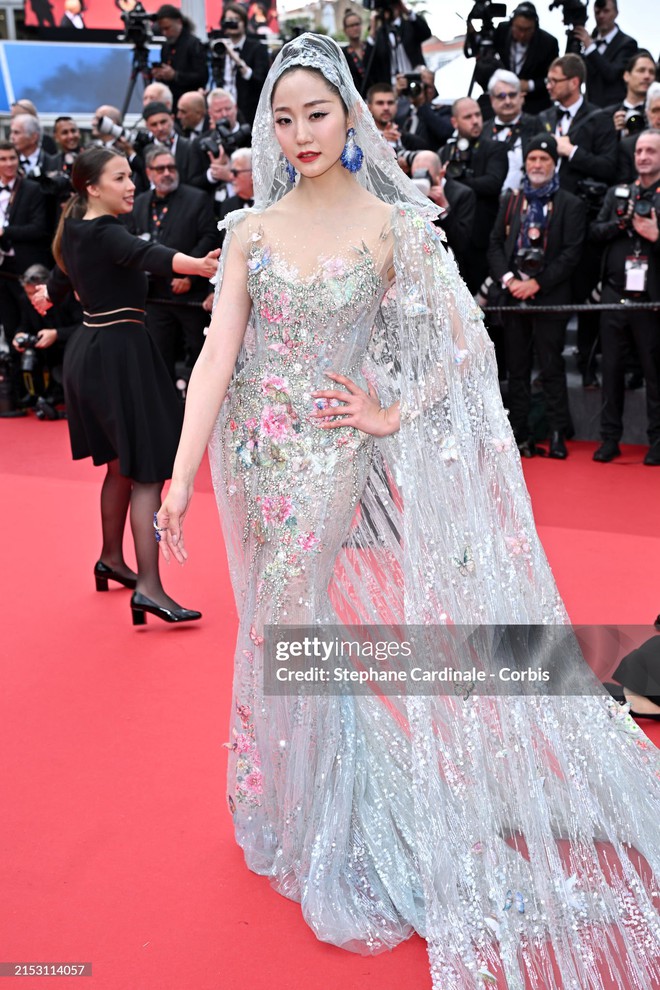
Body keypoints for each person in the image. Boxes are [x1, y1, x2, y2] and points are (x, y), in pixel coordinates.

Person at [153, 33, 660, 989]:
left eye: (318, 113)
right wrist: (183, 478)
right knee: (281, 628)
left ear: (352, 116)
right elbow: (217, 356)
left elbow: (466, 346)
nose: (301, 133)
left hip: (335, 456)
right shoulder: (250, 230)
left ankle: (358, 815)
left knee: (302, 630)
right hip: (259, 459)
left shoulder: (396, 228)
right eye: (285, 117)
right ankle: (307, 806)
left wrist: (391, 412)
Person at [32, 147, 219, 624]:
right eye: (120, 177)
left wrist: (46, 297)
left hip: (93, 353)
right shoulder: (104, 231)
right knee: (147, 473)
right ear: (92, 187)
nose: (131, 183)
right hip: (119, 356)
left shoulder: (75, 230)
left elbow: (60, 278)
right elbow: (144, 254)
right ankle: (150, 587)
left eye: (130, 175)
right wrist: (196, 265)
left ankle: (111, 560)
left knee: (120, 466)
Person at [487, 134, 586, 458]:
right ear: (525, 165)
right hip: (514, 298)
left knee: (551, 367)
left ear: (554, 164)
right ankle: (520, 434)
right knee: (516, 369)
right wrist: (510, 280)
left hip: (550, 299)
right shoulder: (512, 201)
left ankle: (558, 432)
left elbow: (572, 254)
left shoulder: (570, 203)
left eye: (544, 159)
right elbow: (495, 246)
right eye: (532, 160)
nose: (537, 165)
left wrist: (537, 283)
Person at [590, 129, 660, 466]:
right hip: (614, 295)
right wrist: (621, 223)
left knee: (654, 372)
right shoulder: (620, 192)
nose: (643, 156)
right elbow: (595, 231)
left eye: (651, 151)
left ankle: (657, 440)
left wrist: (656, 235)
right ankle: (609, 439)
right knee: (612, 370)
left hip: (652, 300)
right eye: (639, 151)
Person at [492, 2, 559, 115]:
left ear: (535, 27)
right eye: (519, 29)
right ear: (511, 24)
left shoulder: (548, 43)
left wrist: (530, 85)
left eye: (527, 30)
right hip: (503, 100)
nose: (522, 34)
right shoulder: (502, 31)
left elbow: (554, 78)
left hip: (535, 105)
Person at [571, 0, 639, 108]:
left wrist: (590, 47)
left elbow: (611, 74)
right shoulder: (590, 41)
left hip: (613, 110)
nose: (601, 16)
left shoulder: (627, 43)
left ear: (616, 13)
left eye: (606, 11)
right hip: (590, 109)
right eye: (597, 12)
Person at [151, 5, 208, 111]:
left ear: (179, 22)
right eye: (162, 29)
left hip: (191, 104)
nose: (164, 33)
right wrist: (160, 75)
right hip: (171, 103)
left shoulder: (194, 44)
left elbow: (202, 77)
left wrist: (175, 75)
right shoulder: (166, 47)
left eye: (167, 28)